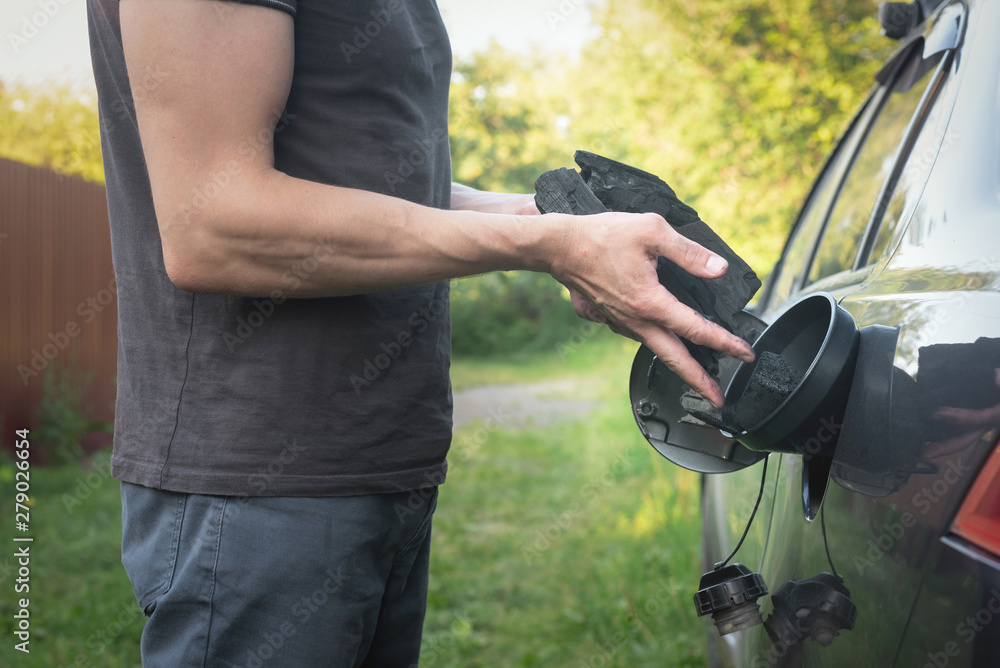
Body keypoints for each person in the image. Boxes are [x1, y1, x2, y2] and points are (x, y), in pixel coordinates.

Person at [86, 0, 754, 665]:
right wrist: (550, 245)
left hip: (383, 468)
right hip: (254, 490)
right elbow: (215, 224)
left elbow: (371, 184)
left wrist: (555, 221)